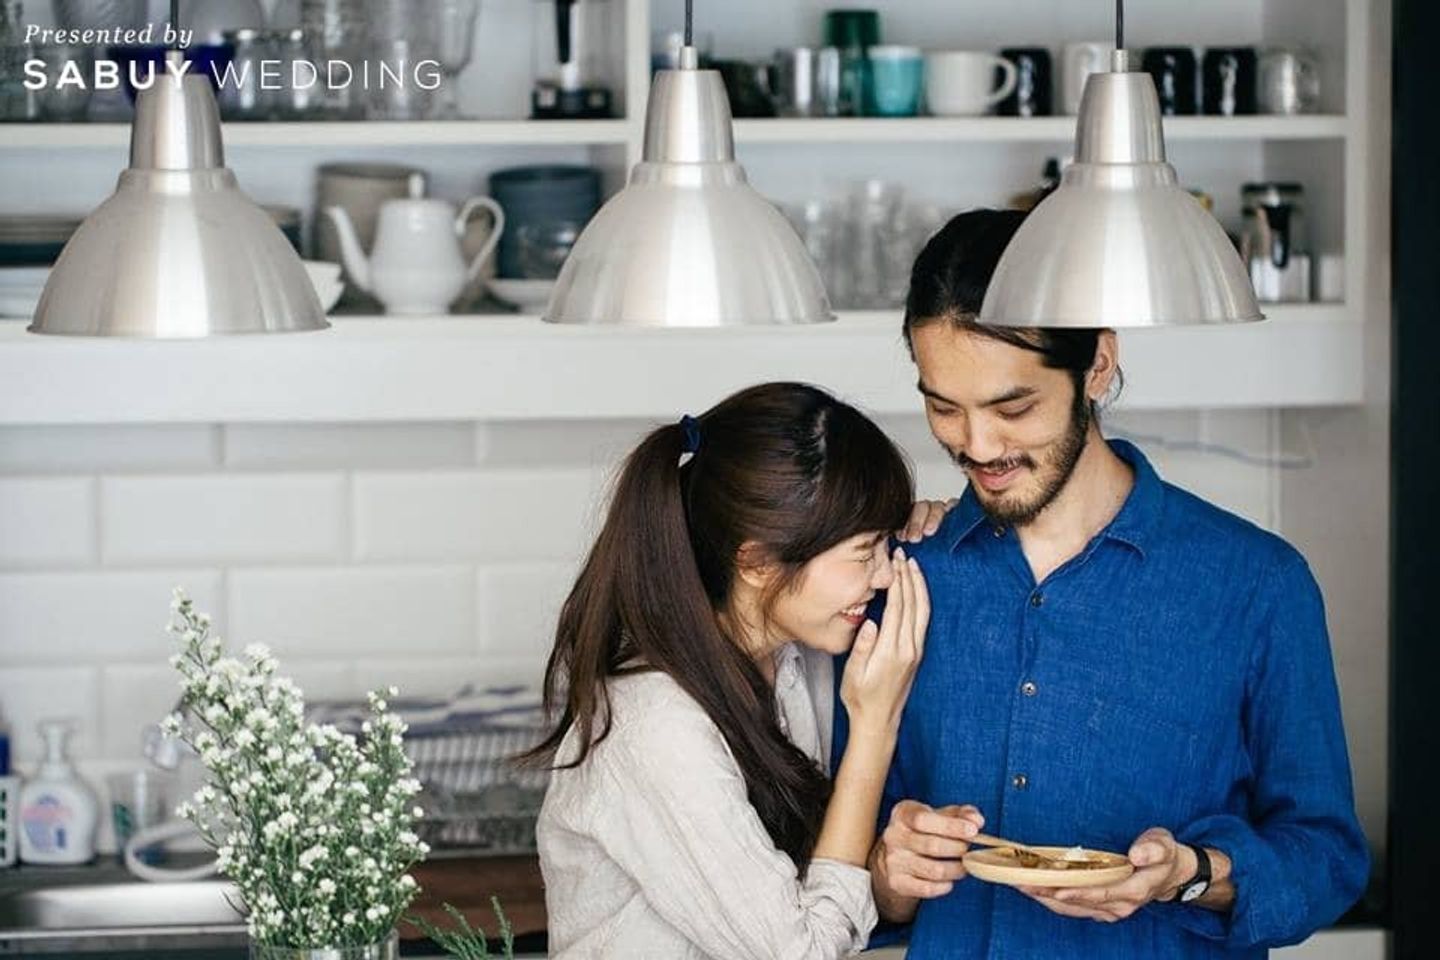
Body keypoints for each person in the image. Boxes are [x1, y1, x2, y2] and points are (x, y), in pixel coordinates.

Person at [847, 209, 1370, 958]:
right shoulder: (900, 579)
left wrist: (1191, 875)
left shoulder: (1256, 585)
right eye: (943, 407)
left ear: (1096, 365)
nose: (978, 444)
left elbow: (1326, 858)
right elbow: (840, 869)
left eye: (1012, 406)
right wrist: (889, 873)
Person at [529, 381, 938, 959]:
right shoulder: (654, 724)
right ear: (756, 562)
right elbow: (800, 954)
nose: (882, 574)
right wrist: (873, 729)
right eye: (864, 550)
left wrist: (932, 534)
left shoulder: (797, 661)